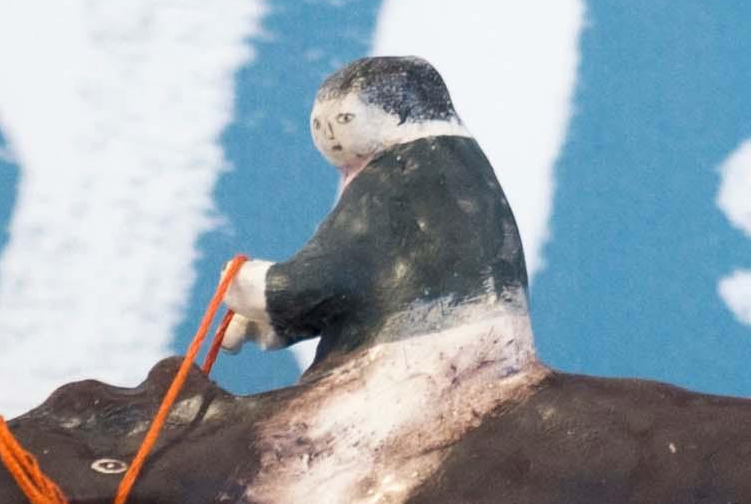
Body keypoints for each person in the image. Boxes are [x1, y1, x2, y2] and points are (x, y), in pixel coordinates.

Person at [225, 56, 533, 379]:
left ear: (395, 114)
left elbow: (323, 275)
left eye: (344, 119)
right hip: (496, 351)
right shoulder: (466, 170)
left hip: (411, 363)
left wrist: (252, 285)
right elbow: (358, 289)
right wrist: (269, 323)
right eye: (319, 125)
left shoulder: (388, 179)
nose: (330, 136)